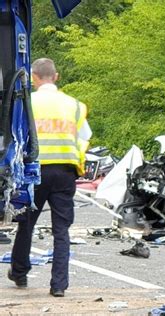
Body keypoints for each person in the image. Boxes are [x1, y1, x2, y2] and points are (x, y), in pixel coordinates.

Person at [8, 58, 91, 296]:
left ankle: (20, 272)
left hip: (34, 172)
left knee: (26, 223)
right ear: (56, 77)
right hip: (65, 172)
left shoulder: (26, 103)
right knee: (61, 230)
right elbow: (84, 137)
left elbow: (16, 137)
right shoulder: (75, 105)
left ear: (33, 77)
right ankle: (59, 286)